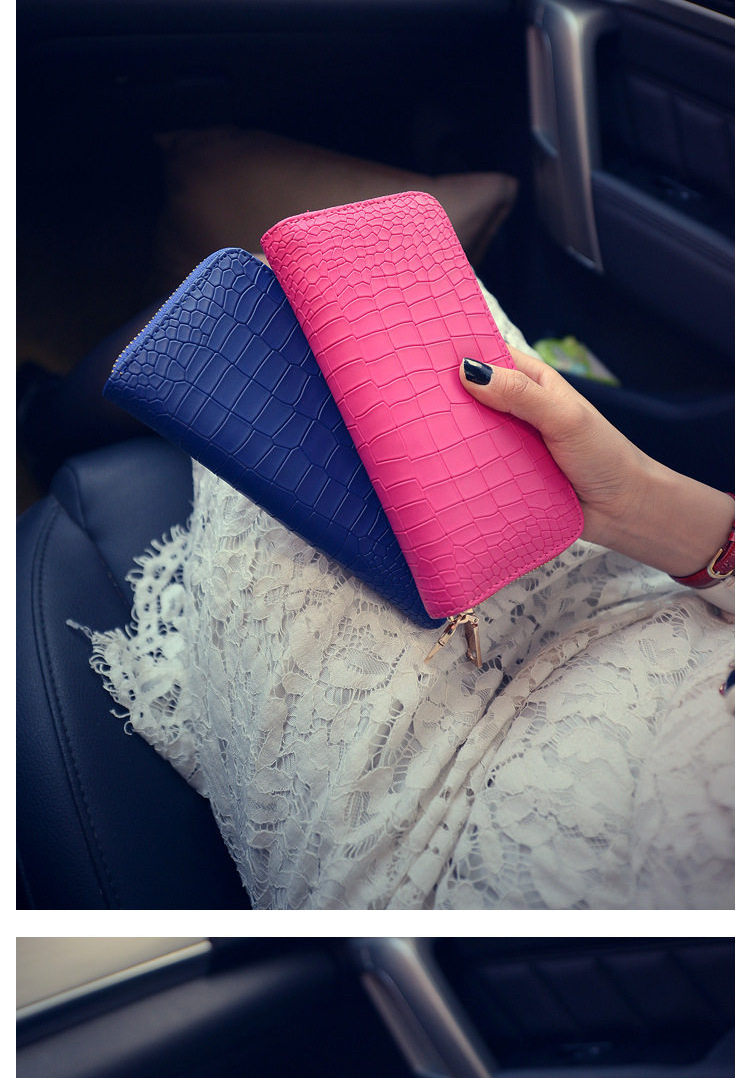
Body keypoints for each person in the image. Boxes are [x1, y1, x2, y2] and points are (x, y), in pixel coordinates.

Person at [72, 285, 734, 909]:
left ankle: (44, 417)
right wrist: (634, 499)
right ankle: (46, 411)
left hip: (454, 797)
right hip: (658, 577)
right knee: (332, 295)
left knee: (247, 329)